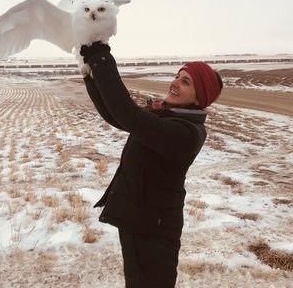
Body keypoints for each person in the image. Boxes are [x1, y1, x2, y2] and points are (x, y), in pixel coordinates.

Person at [80, 42, 223, 288]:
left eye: (186, 82)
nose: (175, 83)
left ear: (200, 98)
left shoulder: (185, 132)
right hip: (142, 221)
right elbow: (118, 117)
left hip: (154, 232)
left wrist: (101, 58)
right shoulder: (168, 118)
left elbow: (129, 114)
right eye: (178, 76)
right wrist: (91, 77)